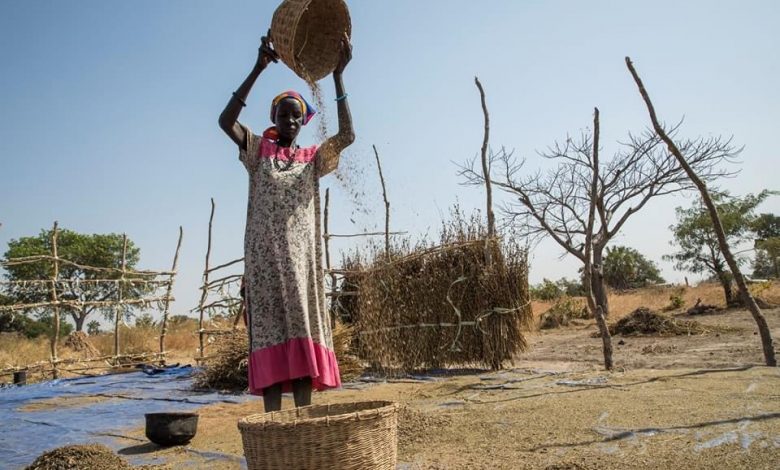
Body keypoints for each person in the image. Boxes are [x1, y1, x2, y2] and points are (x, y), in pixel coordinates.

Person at [218, 33, 354, 412]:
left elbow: (346, 136)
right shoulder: (258, 151)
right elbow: (225, 120)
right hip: (263, 266)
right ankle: (273, 429)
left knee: (299, 344)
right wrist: (257, 68)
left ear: (304, 121)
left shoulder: (312, 159)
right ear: (273, 118)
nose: (290, 120)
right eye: (283, 114)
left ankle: (303, 425)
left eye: (297, 115)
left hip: (301, 267)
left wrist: (339, 78)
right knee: (271, 344)